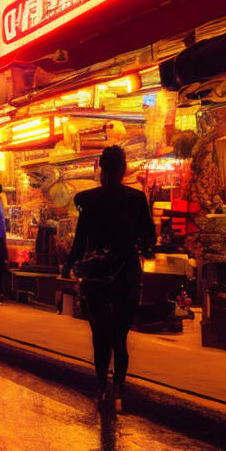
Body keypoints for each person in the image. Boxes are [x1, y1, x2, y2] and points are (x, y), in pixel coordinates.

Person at [63, 145, 156, 413]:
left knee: (100, 335)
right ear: (124, 168)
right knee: (120, 337)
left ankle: (102, 386)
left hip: (98, 276)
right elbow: (148, 237)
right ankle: (118, 388)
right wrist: (143, 246)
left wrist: (68, 266)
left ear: (101, 169)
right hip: (126, 272)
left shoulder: (89, 201)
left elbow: (81, 241)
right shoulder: (136, 199)